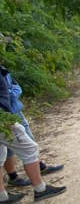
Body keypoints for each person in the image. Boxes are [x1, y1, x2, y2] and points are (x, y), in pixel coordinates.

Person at [0, 64, 64, 193]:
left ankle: (3, 195)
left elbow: (13, 87)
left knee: (4, 152)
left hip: (9, 112)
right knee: (28, 148)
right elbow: (8, 92)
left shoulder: (3, 70)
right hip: (6, 115)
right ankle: (40, 188)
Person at [0, 122, 66, 204]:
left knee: (1, 154)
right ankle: (41, 189)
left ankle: (2, 196)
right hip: (3, 121)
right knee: (29, 150)